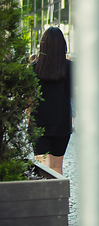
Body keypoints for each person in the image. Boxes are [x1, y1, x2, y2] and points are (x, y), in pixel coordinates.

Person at [31, 27, 72, 175]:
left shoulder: (33, 68)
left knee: (42, 168)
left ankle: (44, 198)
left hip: (38, 123)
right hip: (62, 124)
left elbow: (28, 99)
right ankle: (58, 198)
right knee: (56, 168)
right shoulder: (71, 68)